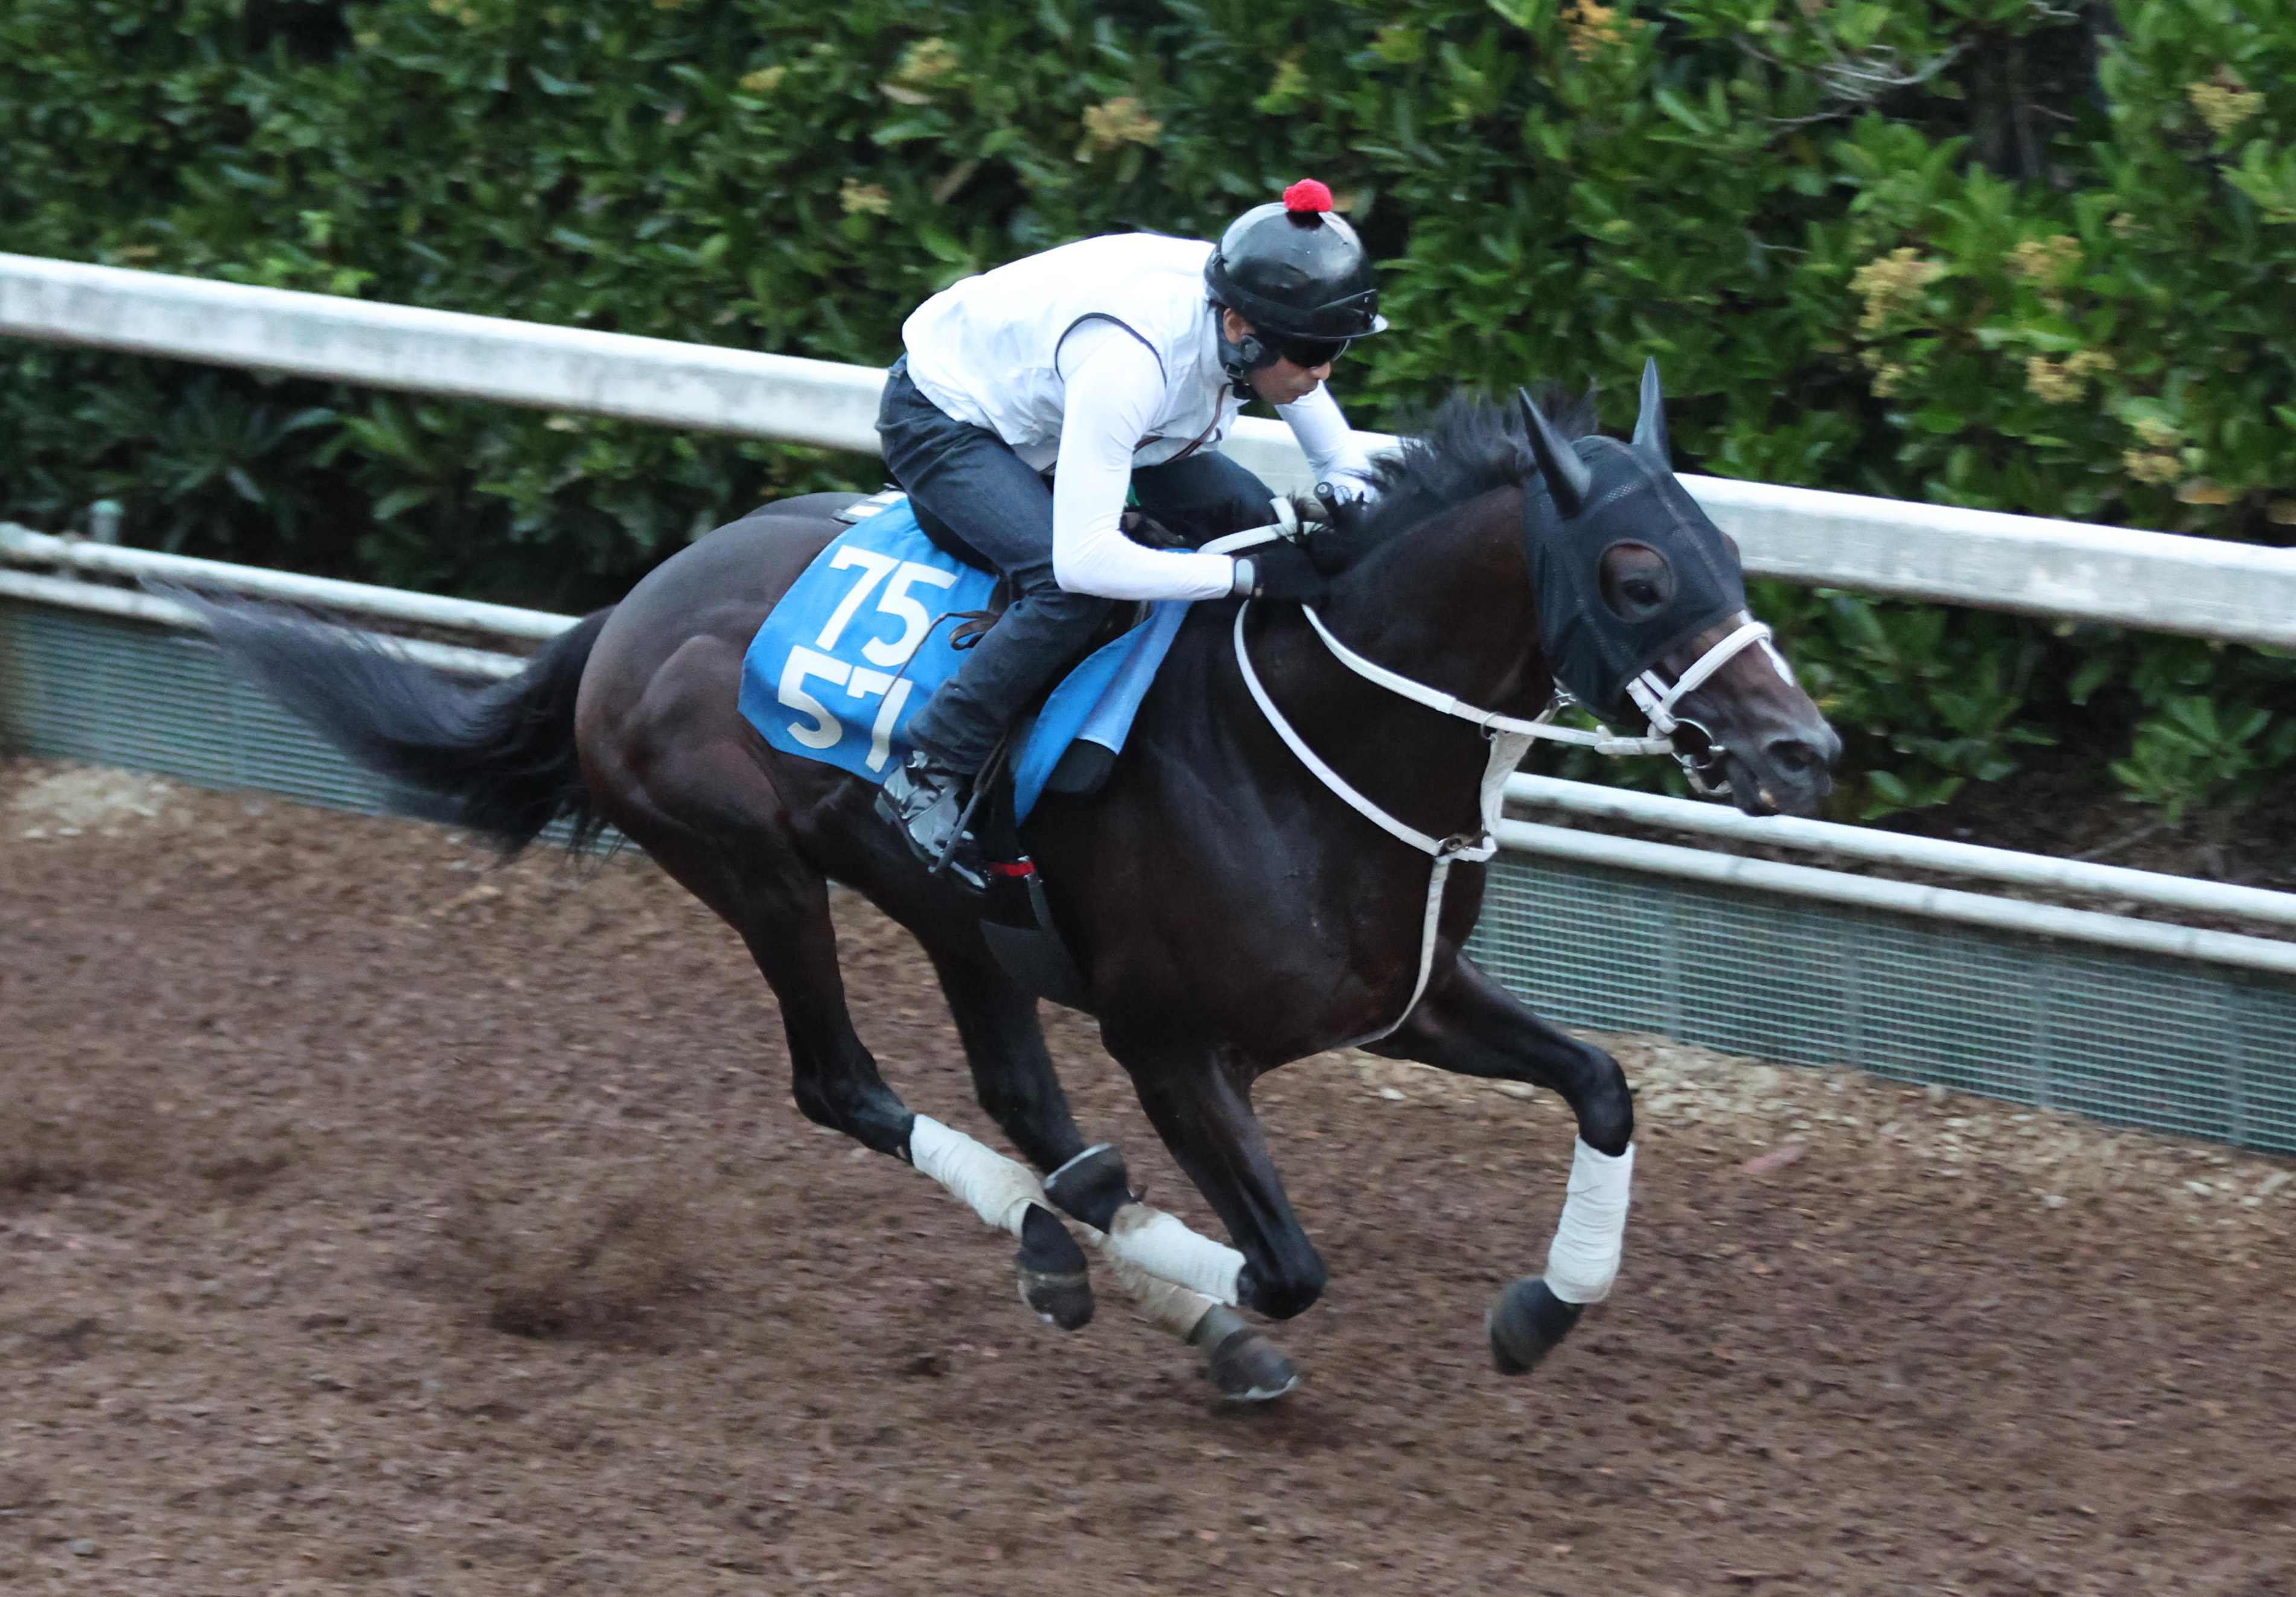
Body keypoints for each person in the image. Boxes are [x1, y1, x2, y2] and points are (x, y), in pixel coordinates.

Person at [873, 178, 1385, 885]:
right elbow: (1085, 563)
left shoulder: (1263, 306)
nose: (1322, 373)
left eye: (1336, 351)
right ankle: (933, 765)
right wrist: (1251, 577)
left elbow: (1339, 461)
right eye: (1310, 355)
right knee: (1065, 591)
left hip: (1099, 423)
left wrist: (1349, 516)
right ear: (1240, 330)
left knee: (1261, 527)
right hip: (949, 420)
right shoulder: (1131, 360)